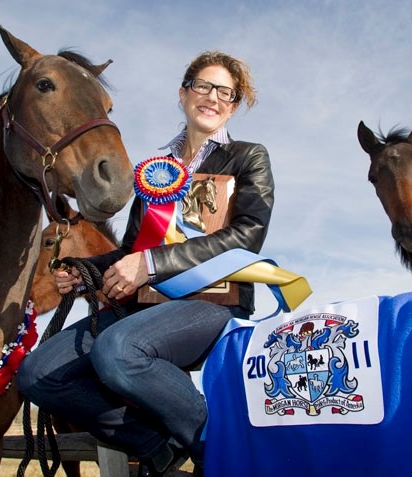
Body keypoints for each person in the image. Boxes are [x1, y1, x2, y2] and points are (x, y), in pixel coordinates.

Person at [16, 50, 272, 477]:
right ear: (184, 93)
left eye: (225, 93)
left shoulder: (248, 157)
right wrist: (88, 271)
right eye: (203, 86)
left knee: (117, 351)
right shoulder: (157, 170)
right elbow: (132, 249)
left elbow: (247, 235)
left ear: (233, 105)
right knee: (39, 372)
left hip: (213, 302)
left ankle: (217, 442)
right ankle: (155, 443)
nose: (212, 97)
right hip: (146, 306)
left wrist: (150, 265)